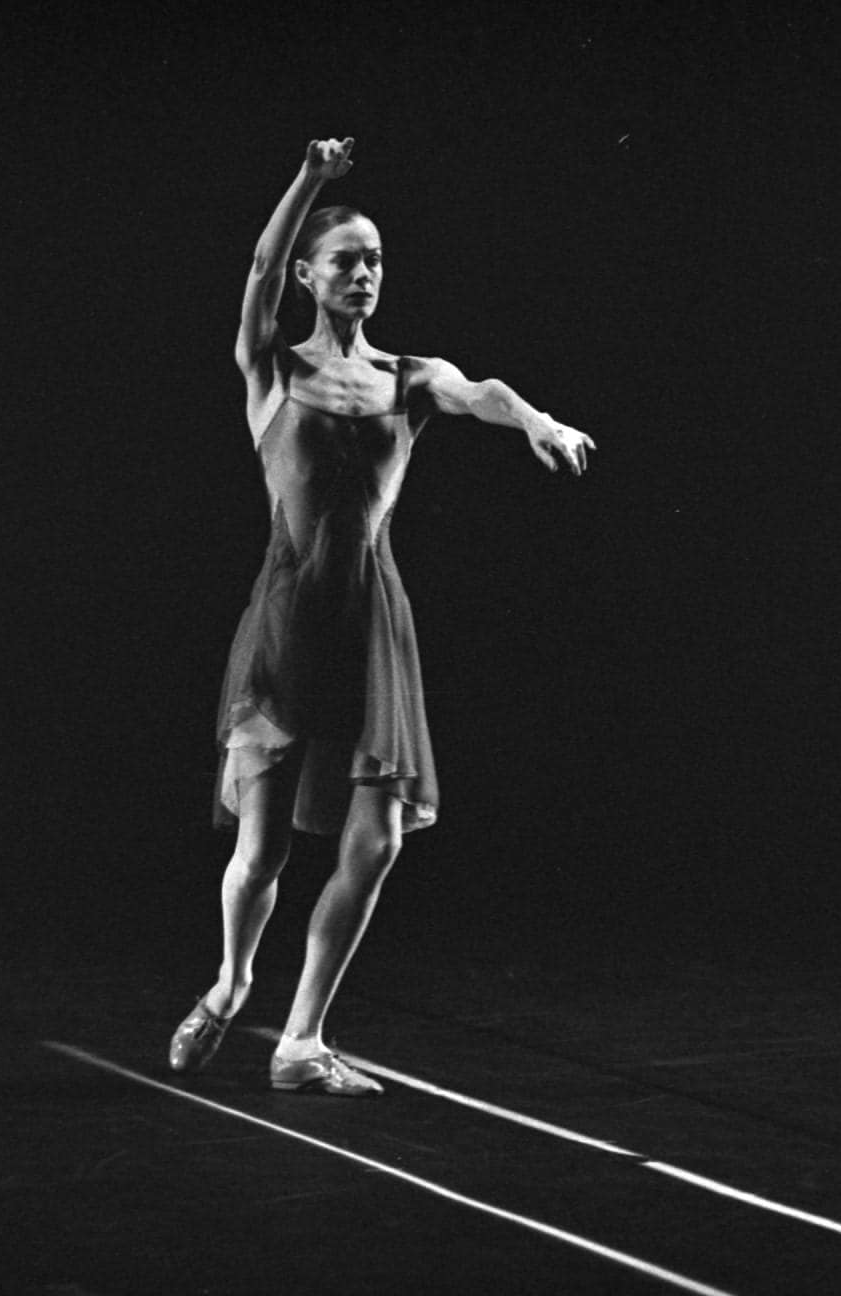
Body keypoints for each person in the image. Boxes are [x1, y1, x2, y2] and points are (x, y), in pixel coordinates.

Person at [169, 138, 595, 1096]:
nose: (363, 273)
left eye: (375, 260)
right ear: (312, 275)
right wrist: (314, 179)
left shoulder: (409, 375)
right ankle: (234, 983)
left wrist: (539, 423)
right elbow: (258, 268)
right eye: (346, 259)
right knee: (264, 847)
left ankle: (301, 1040)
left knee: (381, 838)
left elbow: (478, 390)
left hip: (372, 621)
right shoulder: (270, 369)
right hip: (289, 618)